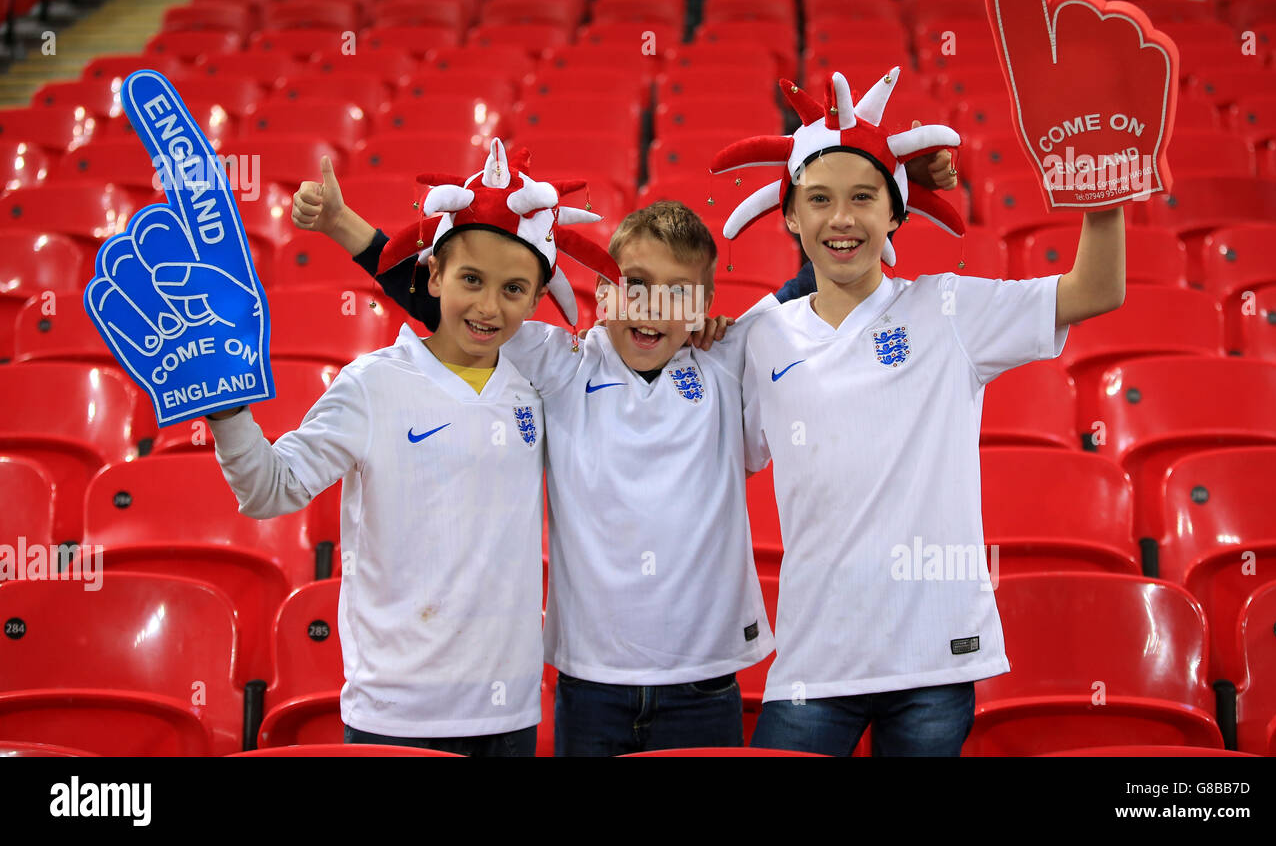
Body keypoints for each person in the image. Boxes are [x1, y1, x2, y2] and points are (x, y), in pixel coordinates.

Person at [292, 126, 956, 755]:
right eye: (635, 286)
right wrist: (342, 225)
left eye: (678, 296)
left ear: (703, 308)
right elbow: (436, 299)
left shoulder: (730, 357)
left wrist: (891, 186)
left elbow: (824, 266)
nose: (653, 309)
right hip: (590, 686)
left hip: (705, 683)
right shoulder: (561, 363)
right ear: (605, 290)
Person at [717, 67, 1125, 757]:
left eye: (863, 197)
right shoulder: (759, 333)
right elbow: (704, 437)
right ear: (789, 214)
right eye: (818, 199)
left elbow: (1097, 289)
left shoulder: (949, 309)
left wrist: (1104, 186)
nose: (841, 218)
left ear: (896, 212)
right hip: (816, 661)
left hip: (936, 655)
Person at [206, 142, 617, 756]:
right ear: (432, 275)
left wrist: (700, 323)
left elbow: (644, 352)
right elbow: (269, 490)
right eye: (470, 280)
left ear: (536, 304)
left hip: (508, 711)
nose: (487, 306)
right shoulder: (372, 383)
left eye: (512, 290)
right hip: (393, 715)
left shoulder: (542, 378)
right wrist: (225, 409)